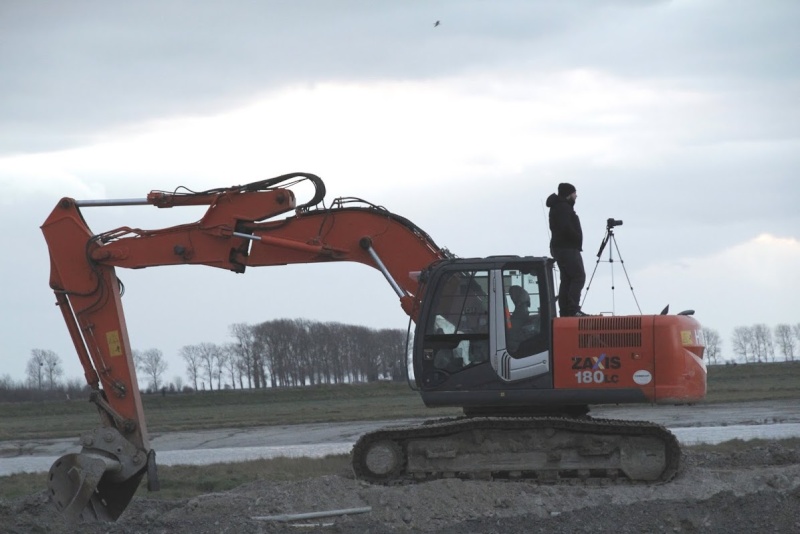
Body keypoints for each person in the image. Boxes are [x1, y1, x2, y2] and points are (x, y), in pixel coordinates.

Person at [546, 183, 587, 317]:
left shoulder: (557, 206)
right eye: (574, 193)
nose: (576, 196)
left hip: (560, 248)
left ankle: (565, 310)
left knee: (567, 279)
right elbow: (566, 228)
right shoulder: (563, 208)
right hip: (567, 248)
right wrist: (576, 238)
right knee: (578, 276)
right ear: (569, 194)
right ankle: (572, 309)